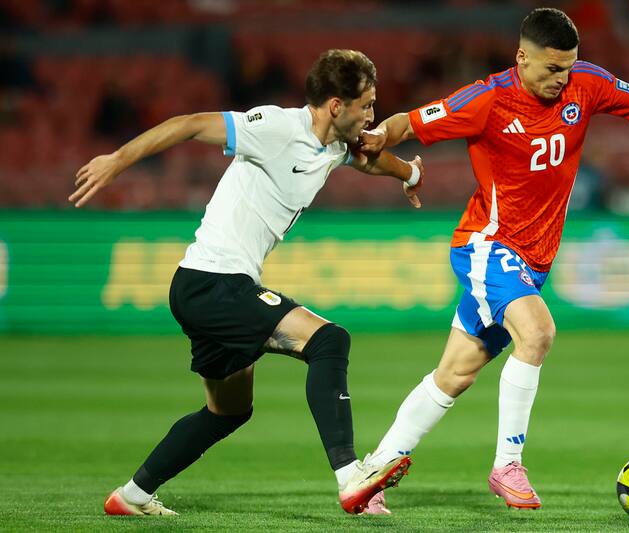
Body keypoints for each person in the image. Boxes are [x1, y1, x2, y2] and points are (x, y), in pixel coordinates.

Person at [359, 7, 629, 510]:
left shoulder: (586, 83)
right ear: (522, 57)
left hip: (534, 261)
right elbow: (408, 122)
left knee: (455, 374)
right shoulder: (487, 98)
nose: (562, 78)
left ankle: (371, 474)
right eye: (552, 68)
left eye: (568, 67)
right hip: (487, 245)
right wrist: (379, 137)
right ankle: (507, 465)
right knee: (537, 333)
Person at [69, 49, 422, 517]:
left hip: (207, 286)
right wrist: (118, 159)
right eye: (367, 105)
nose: (373, 115)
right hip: (214, 282)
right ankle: (349, 476)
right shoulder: (275, 127)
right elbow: (190, 124)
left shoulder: (336, 146)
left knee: (228, 412)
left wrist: (410, 173)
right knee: (329, 340)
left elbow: (369, 160)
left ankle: (131, 496)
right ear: (336, 105)